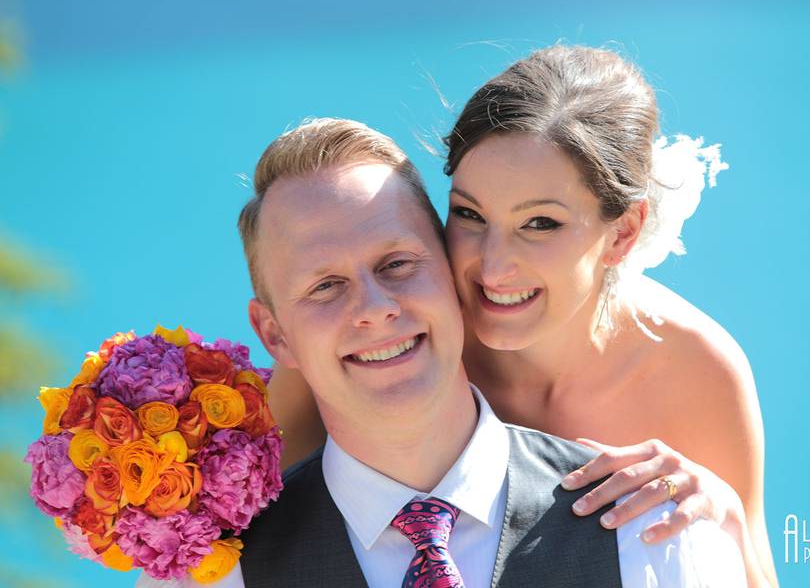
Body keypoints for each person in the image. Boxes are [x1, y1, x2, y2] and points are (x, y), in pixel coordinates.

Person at [148, 118, 746, 587]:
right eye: (325, 286)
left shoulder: (652, 535)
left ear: (458, 279)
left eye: (398, 264)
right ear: (275, 336)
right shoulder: (217, 574)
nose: (375, 307)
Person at [270, 46, 778, 588]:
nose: (491, 267)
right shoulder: (392, 336)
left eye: (539, 223)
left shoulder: (693, 370)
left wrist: (721, 512)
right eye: (469, 214)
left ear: (624, 232)